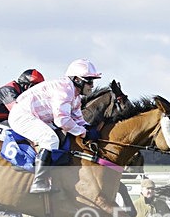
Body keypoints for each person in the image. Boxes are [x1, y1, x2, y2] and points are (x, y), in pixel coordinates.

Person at [8, 58, 102, 193]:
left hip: (37, 116)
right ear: (77, 80)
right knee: (50, 139)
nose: (92, 85)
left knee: (61, 138)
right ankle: (38, 182)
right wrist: (84, 133)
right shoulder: (64, 90)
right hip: (22, 116)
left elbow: (77, 118)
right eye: (89, 81)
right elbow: (62, 121)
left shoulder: (75, 96)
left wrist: (87, 127)